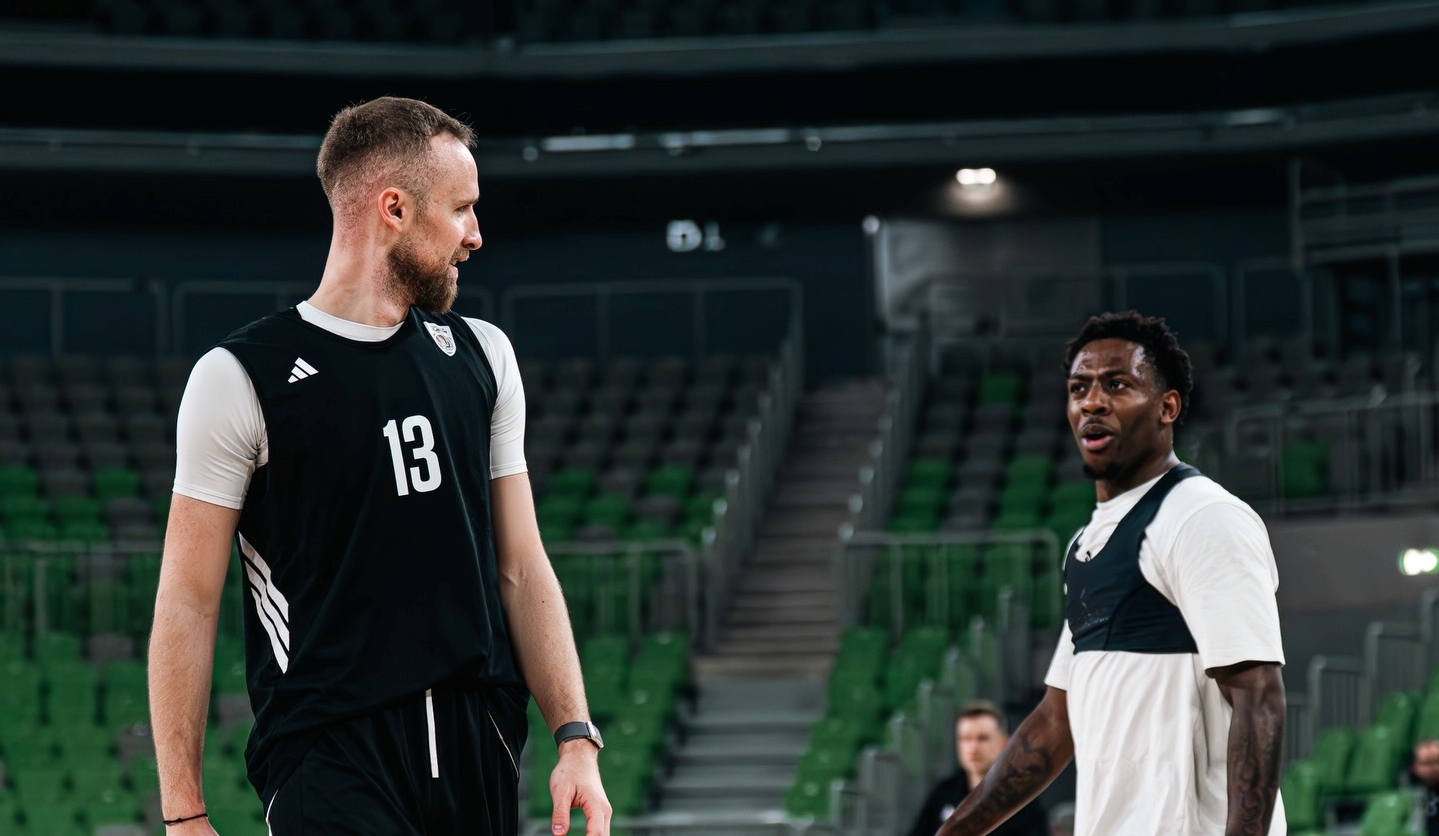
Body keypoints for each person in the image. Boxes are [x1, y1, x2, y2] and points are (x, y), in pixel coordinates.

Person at [147, 97, 610, 836]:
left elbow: (522, 567)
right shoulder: (237, 377)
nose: (475, 235)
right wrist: (184, 812)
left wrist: (574, 736)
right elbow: (187, 601)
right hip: (329, 752)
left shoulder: (484, 355)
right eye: (461, 209)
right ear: (394, 209)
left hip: (478, 740)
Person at [937, 311, 1287, 836]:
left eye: (1117, 385)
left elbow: (1258, 696)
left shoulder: (1201, 517)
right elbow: (1055, 721)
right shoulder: (1087, 543)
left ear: (1168, 407)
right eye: (1079, 388)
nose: (1092, 402)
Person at [907, 701, 1048, 836]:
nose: (973, 748)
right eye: (966, 738)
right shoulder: (943, 794)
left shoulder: (1023, 802)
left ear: (1004, 743)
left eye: (982, 738)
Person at [1412, 738, 1439, 835]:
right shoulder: (1408, 793)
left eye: (1435, 762)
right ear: (1415, 766)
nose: (1431, 769)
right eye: (1425, 763)